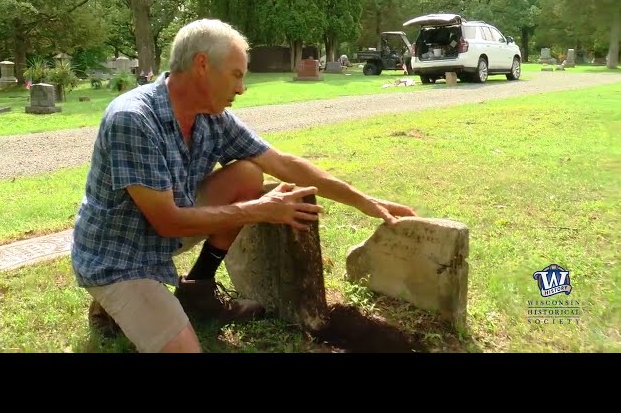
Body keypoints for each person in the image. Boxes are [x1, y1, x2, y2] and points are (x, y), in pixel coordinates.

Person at [71, 18, 418, 353]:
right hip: (119, 256)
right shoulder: (132, 119)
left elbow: (281, 164)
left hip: (164, 232)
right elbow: (167, 221)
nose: (241, 87)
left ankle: (198, 289)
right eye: (236, 75)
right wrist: (262, 211)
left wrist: (363, 201)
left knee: (248, 174)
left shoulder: (211, 116)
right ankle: (110, 300)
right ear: (202, 65)